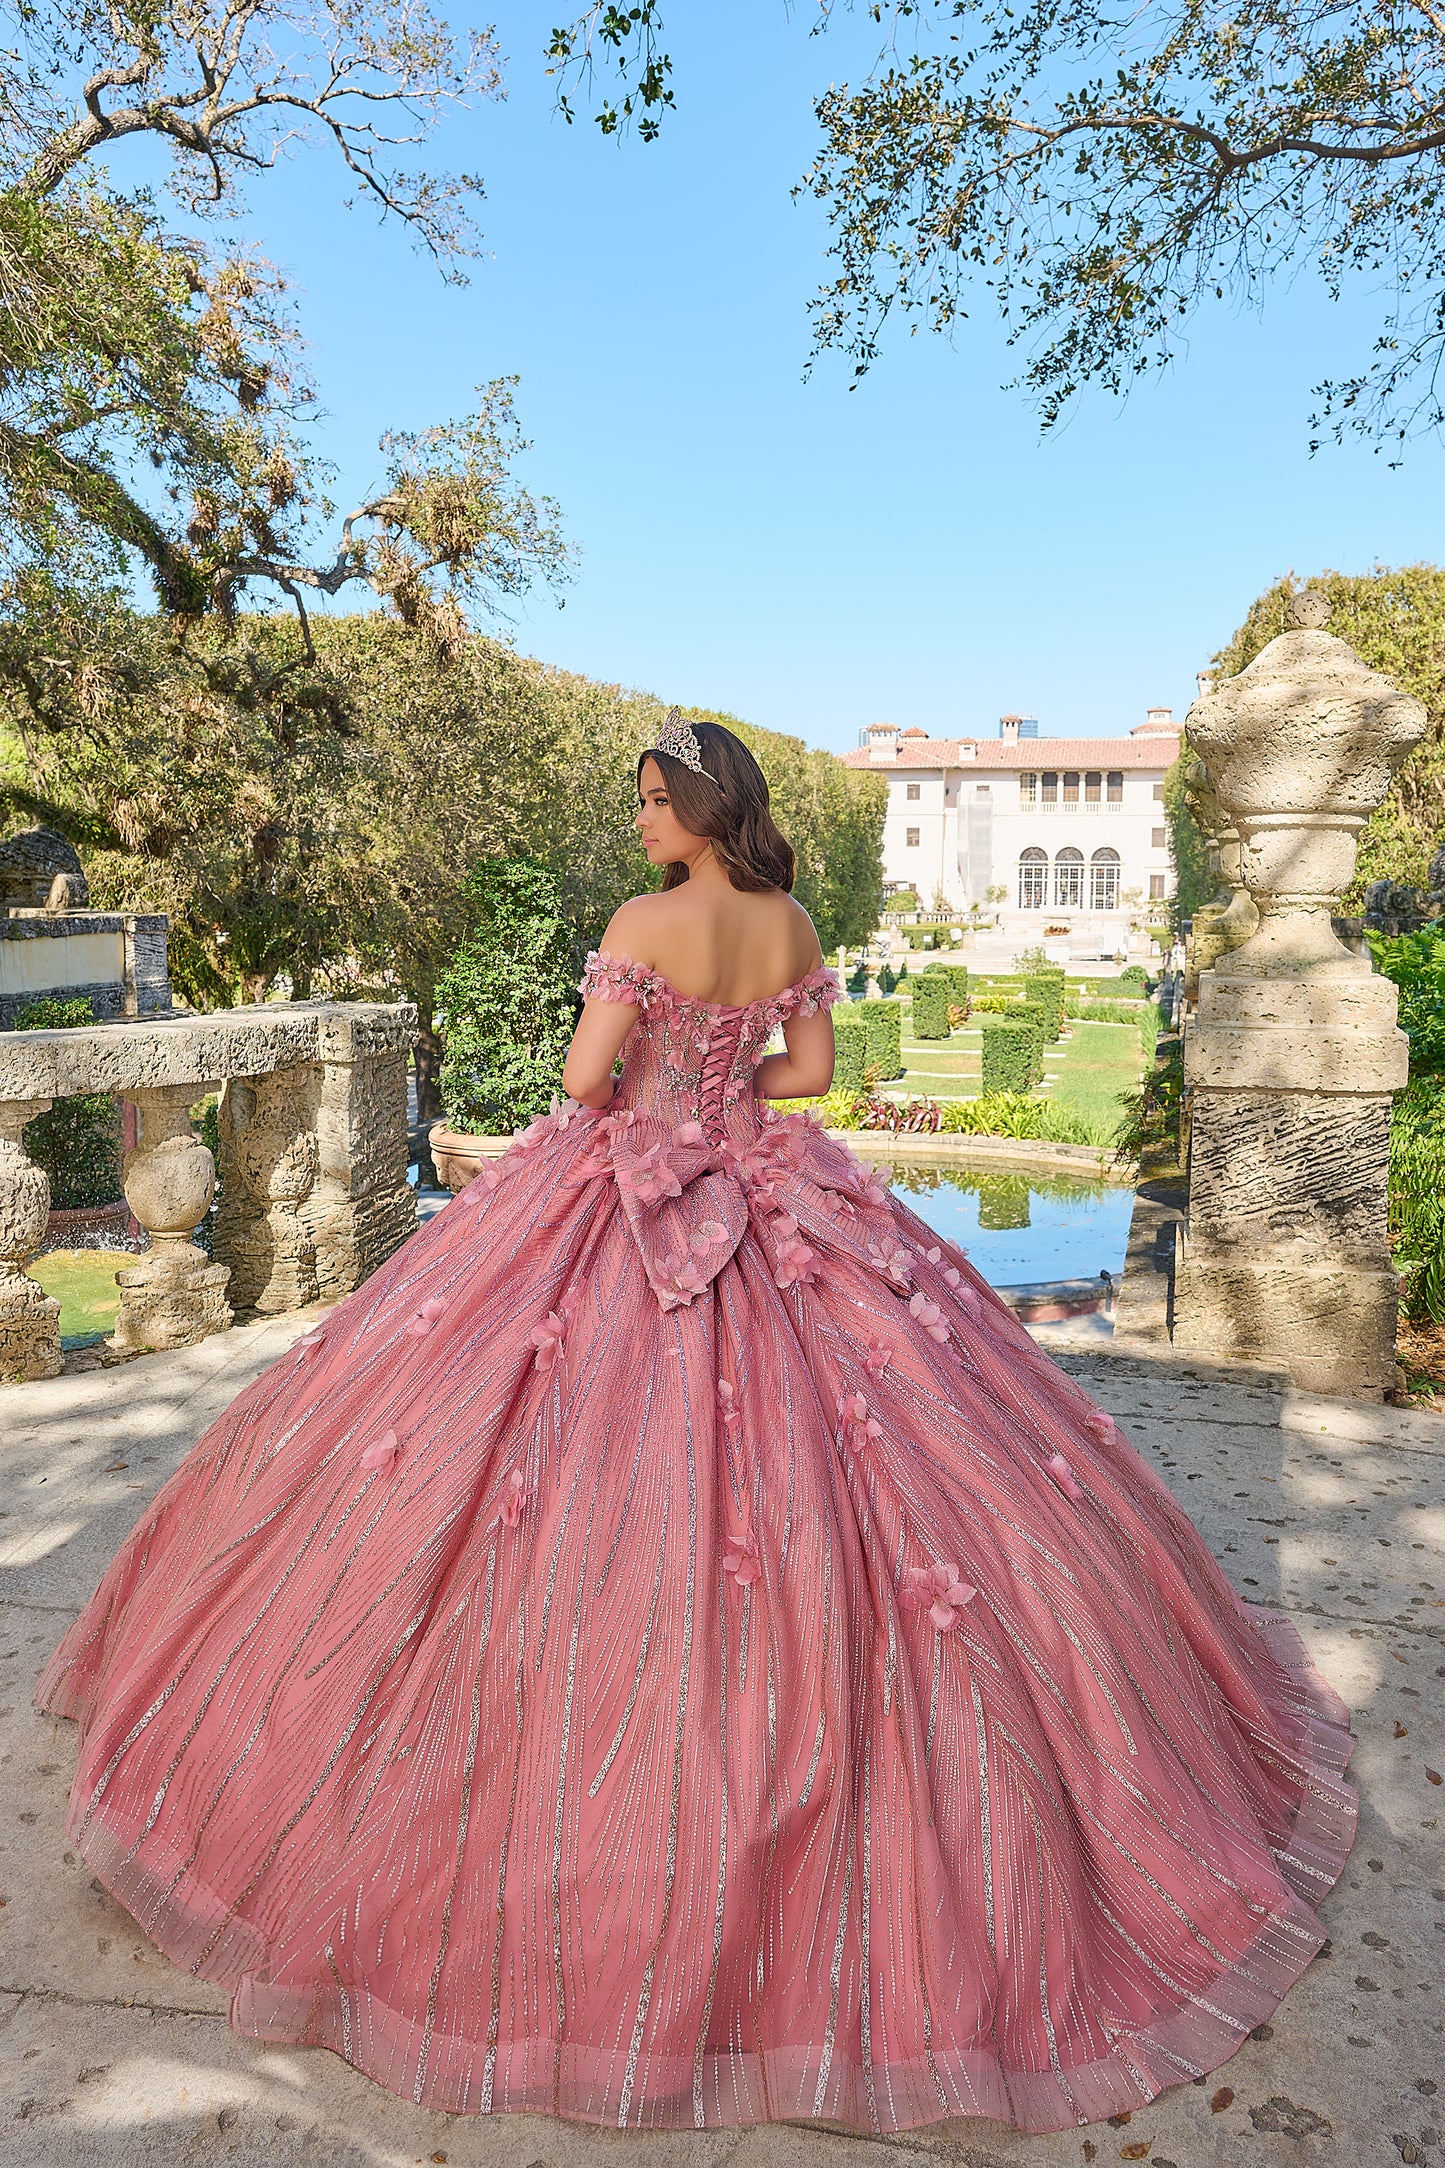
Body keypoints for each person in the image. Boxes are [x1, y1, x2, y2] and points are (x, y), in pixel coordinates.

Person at [36, 714, 1355, 2137]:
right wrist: (720, 1088)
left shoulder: (640, 921)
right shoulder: (784, 915)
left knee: (515, 1475)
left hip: (622, 1193)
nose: (643, 822)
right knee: (905, 1450)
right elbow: (804, 1078)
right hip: (776, 1192)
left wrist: (648, 1084)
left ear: (701, 807)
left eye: (655, 801)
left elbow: (584, 1082)